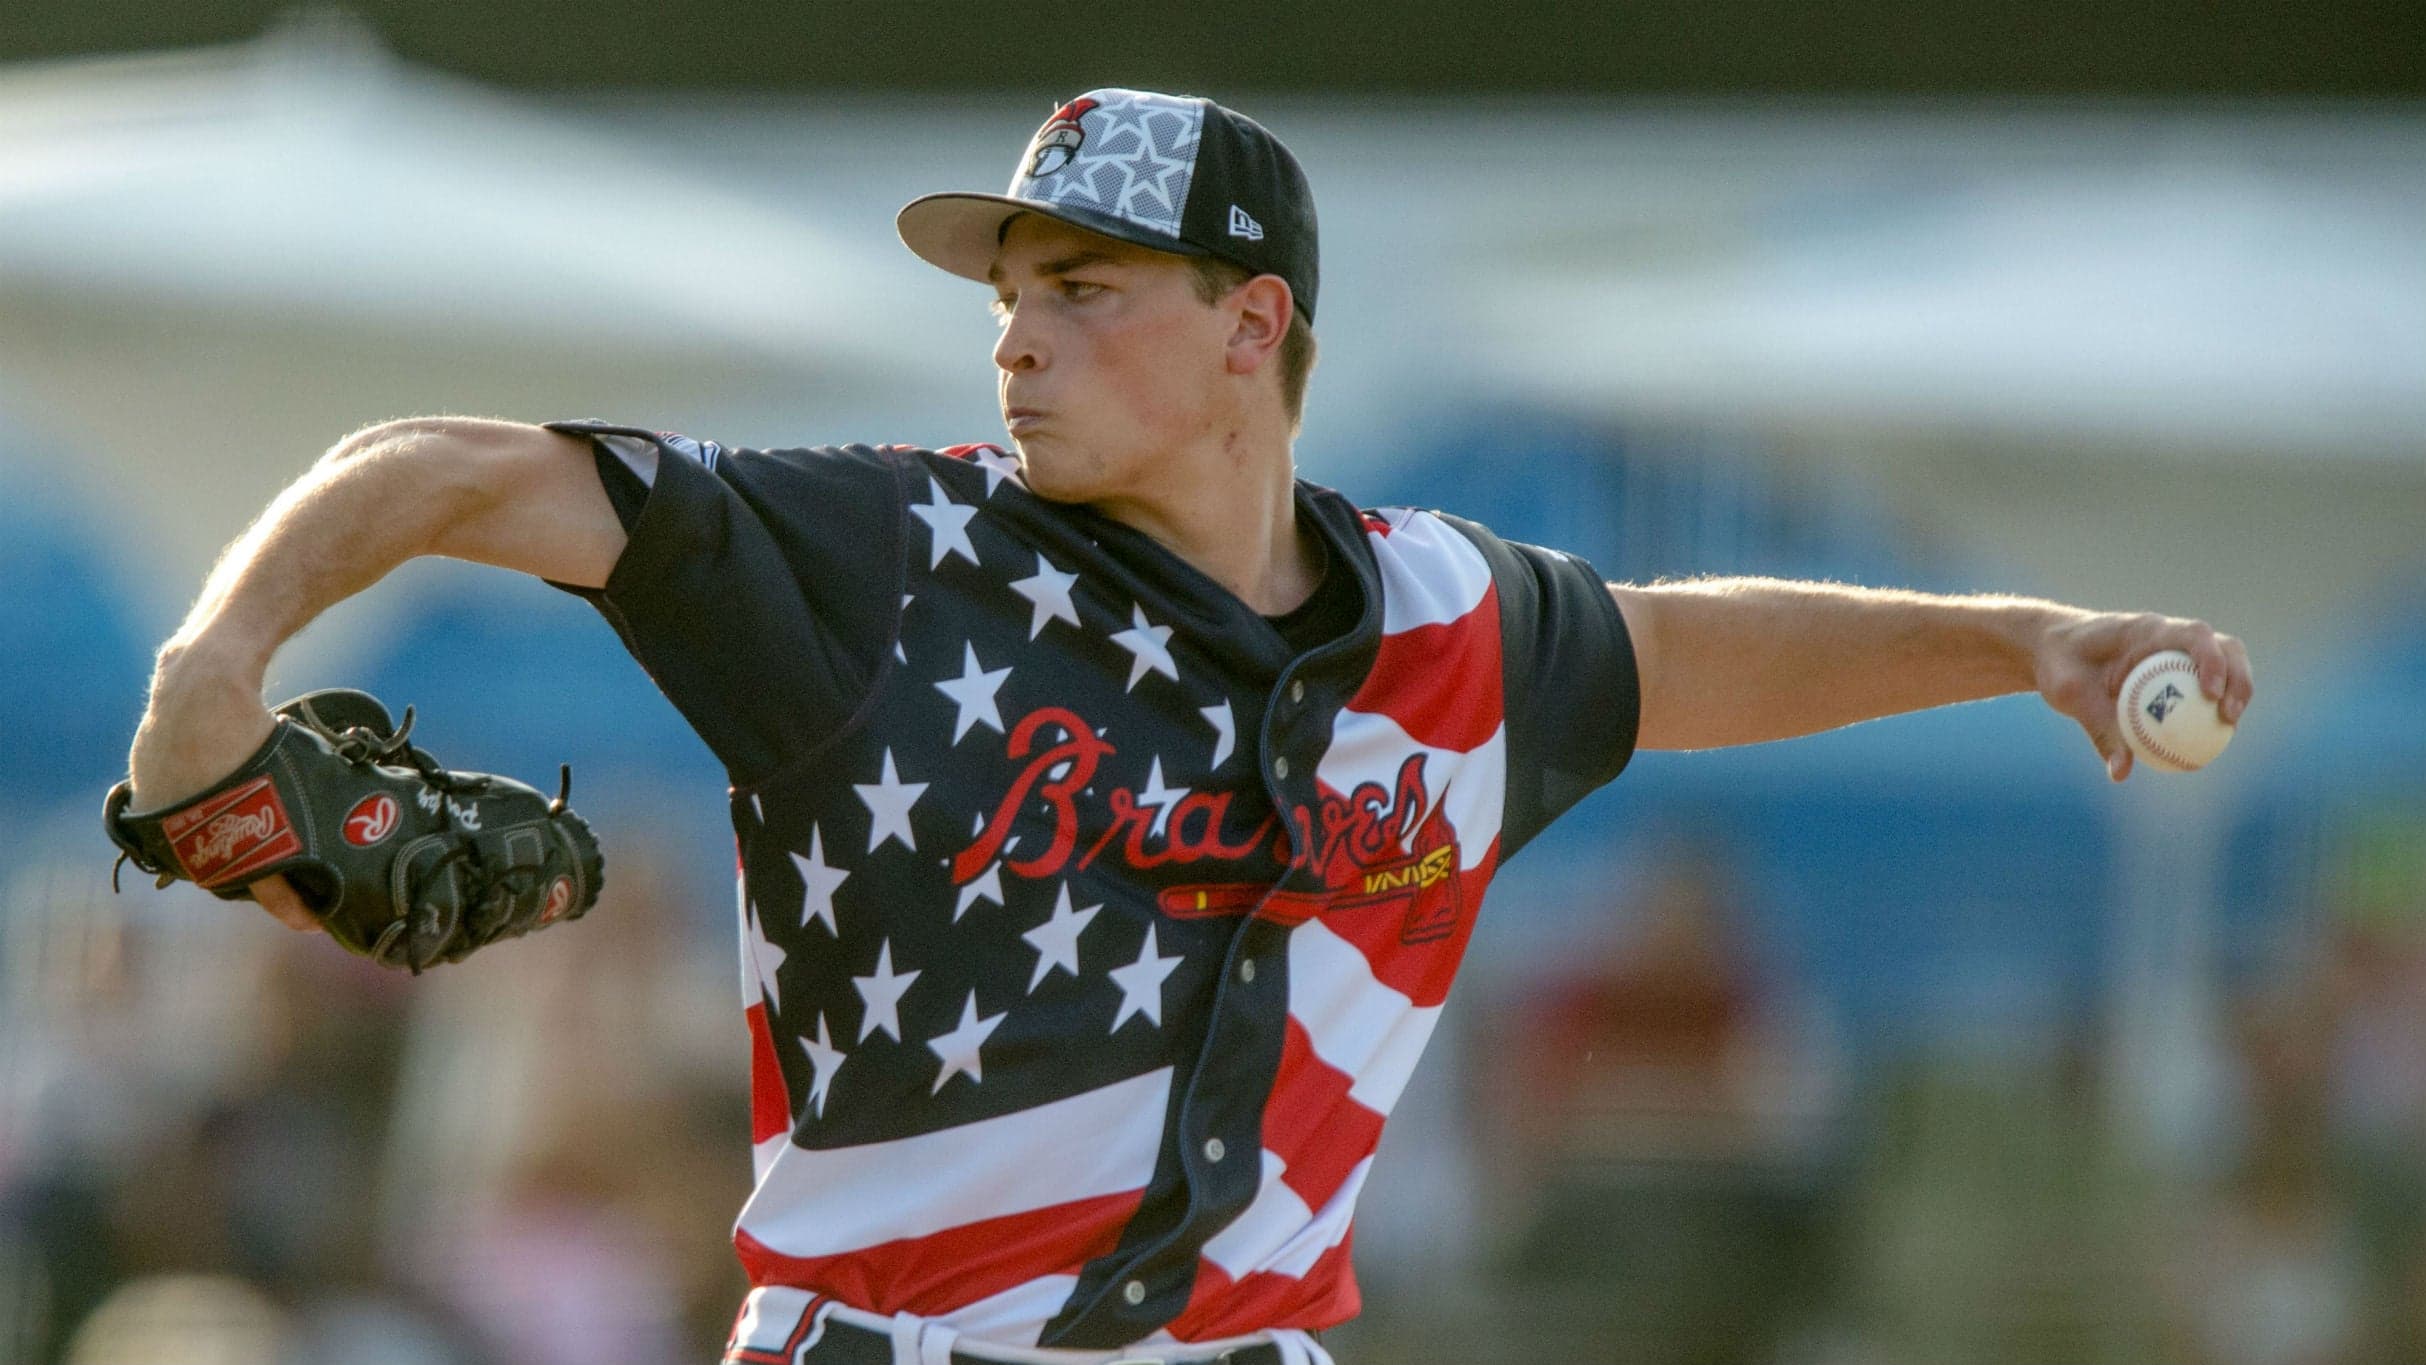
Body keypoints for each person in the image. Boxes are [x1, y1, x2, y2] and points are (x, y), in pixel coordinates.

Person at [121, 88, 2255, 1365]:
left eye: (1084, 292)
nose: (1018, 342)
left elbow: (1695, 649)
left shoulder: (1444, 619)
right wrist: (204, 681)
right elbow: (449, 461)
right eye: (1007, 295)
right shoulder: (889, 552)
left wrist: (2026, 636)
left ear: (1254, 331)